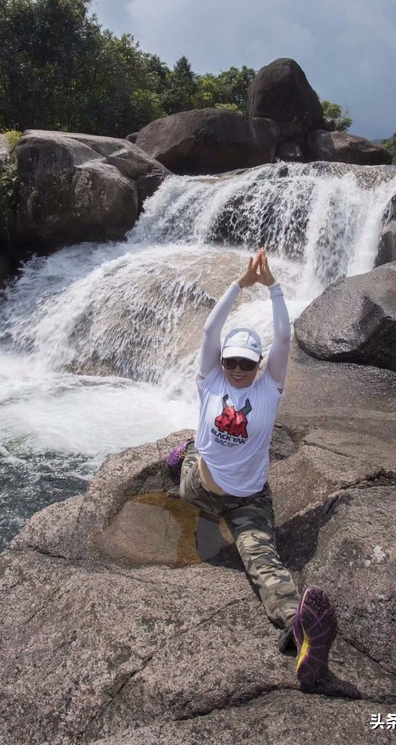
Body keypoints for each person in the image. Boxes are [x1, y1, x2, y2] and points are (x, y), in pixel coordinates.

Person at [167, 249, 337, 691]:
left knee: (263, 561)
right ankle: (186, 449)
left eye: (247, 362)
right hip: (201, 486)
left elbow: (283, 339)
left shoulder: (269, 388)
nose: (239, 369)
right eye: (232, 361)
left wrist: (275, 287)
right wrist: (241, 284)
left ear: (259, 364)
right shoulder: (210, 380)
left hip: (249, 499)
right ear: (221, 362)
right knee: (193, 459)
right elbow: (210, 329)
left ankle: (299, 632)